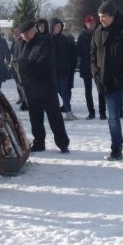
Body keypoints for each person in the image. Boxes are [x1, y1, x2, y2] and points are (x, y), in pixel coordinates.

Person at [92, 1, 123, 163]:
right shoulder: (97, 32)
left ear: (113, 16)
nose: (101, 20)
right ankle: (116, 149)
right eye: (100, 17)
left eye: (104, 17)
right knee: (112, 117)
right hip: (107, 82)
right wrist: (97, 76)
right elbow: (92, 56)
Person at [16, 19, 70, 154]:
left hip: (47, 87)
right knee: (35, 117)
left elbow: (43, 62)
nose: (25, 37)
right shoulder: (23, 45)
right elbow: (19, 64)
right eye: (23, 35)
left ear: (33, 31)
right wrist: (20, 77)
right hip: (30, 88)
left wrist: (27, 69)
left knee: (54, 116)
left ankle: (62, 143)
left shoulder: (45, 42)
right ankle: (39, 142)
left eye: (27, 34)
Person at [75, 16, 104, 119]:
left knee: (100, 89)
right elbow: (77, 51)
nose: (92, 24)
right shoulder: (82, 36)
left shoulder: (100, 33)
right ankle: (91, 112)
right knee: (88, 91)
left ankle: (102, 112)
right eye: (90, 23)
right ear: (86, 24)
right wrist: (83, 51)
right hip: (86, 66)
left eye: (93, 23)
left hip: (98, 66)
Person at [50, 18, 77, 121]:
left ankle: (68, 112)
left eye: (60, 26)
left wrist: (68, 65)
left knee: (65, 91)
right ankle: (55, 114)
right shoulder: (48, 39)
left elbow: (68, 54)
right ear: (52, 27)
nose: (58, 28)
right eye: (56, 26)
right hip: (52, 72)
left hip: (63, 70)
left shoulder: (64, 39)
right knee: (54, 93)